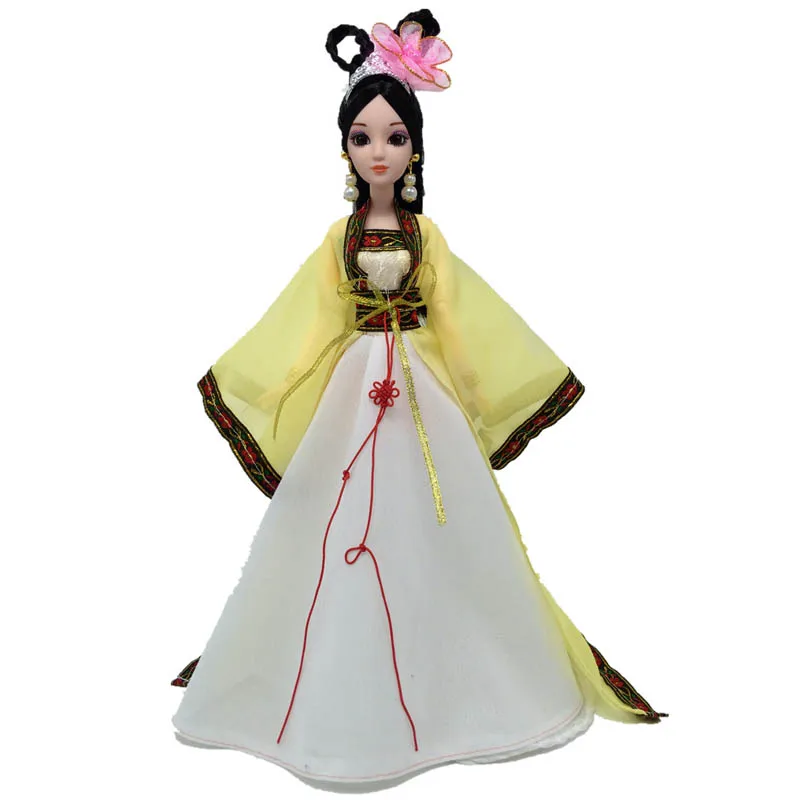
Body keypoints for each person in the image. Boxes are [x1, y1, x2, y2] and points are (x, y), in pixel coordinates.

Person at [170, 9, 667, 792]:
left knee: (436, 518)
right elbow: (304, 320)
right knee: (331, 525)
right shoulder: (338, 240)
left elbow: (465, 316)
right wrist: (264, 381)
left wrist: (489, 384)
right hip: (356, 383)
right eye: (363, 136)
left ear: (415, 148)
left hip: (418, 389)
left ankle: (463, 674)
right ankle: (326, 684)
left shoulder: (424, 236)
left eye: (394, 137)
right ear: (344, 147)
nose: (379, 151)